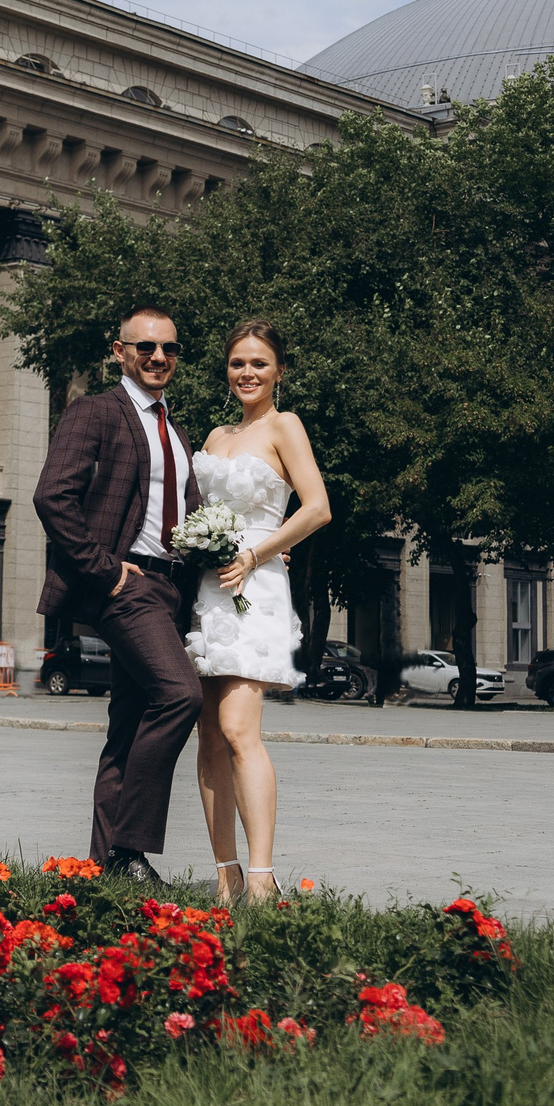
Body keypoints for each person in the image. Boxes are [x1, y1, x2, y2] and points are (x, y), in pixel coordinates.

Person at [32, 304, 203, 883]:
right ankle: (132, 851)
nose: (158, 357)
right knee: (181, 694)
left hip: (170, 586)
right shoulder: (96, 413)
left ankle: (103, 866)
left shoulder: (176, 430)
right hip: (126, 585)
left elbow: (190, 515)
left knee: (128, 726)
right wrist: (104, 571)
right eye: (146, 347)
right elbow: (53, 496)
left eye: (170, 349)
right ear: (120, 351)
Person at [185, 320, 331, 905]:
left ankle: (264, 877)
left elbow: (317, 507)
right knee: (208, 736)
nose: (247, 373)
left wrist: (256, 552)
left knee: (240, 729)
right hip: (208, 586)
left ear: (279, 372)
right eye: (238, 363)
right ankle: (226, 874)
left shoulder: (284, 426)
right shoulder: (216, 436)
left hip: (255, 582)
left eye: (259, 364)